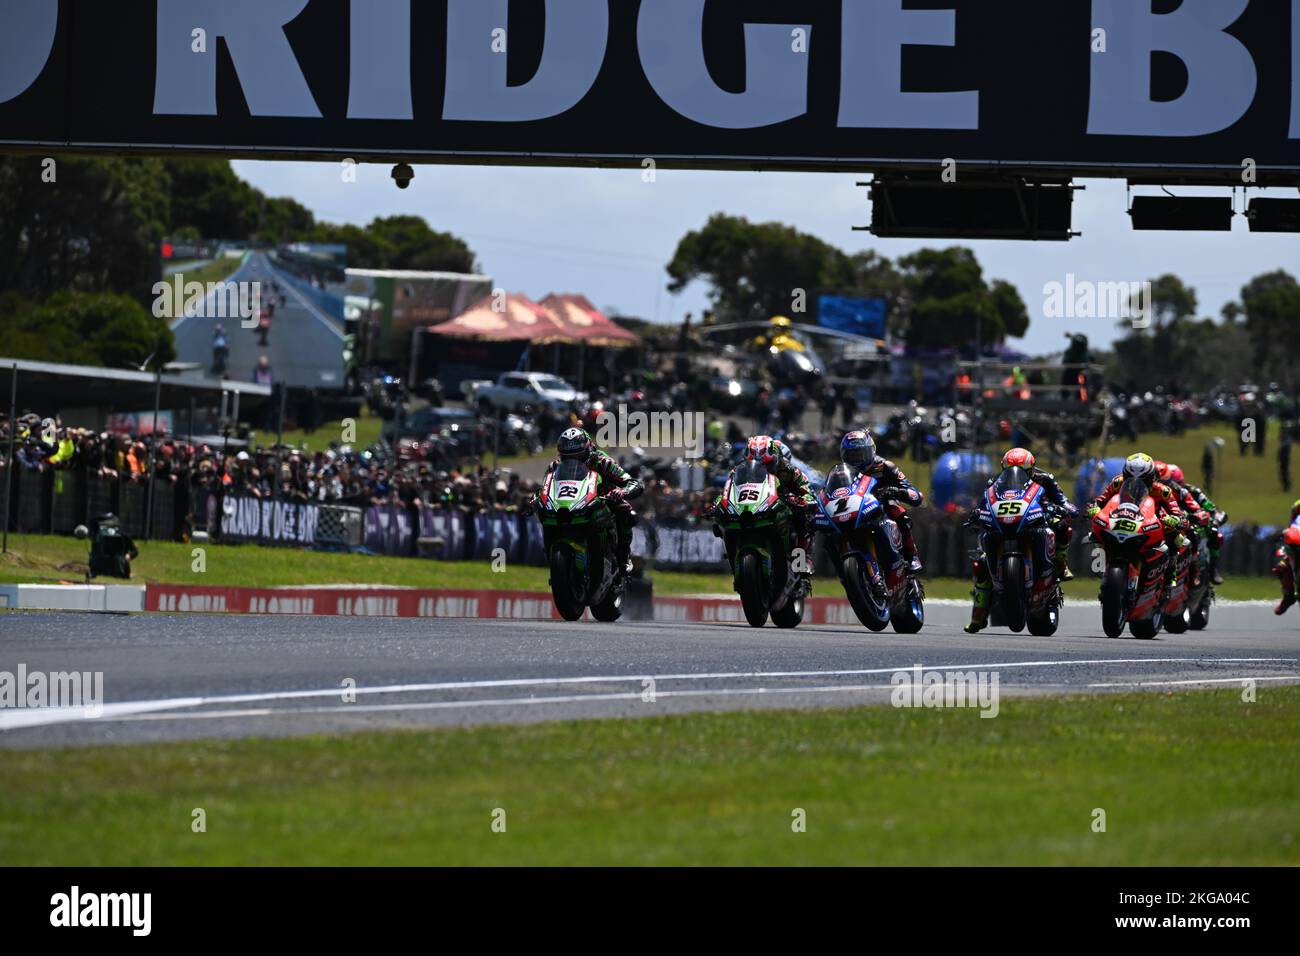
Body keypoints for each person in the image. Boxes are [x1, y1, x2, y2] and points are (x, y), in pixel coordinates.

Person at [962, 448, 1076, 634]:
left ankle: (1061, 563)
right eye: (1010, 469)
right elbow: (985, 503)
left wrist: (1062, 508)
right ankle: (978, 617)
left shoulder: (1045, 479)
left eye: (1022, 470)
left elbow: (1065, 501)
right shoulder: (995, 483)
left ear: (1031, 469)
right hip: (1008, 520)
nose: (1016, 474)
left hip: (1038, 519)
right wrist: (976, 514)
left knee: (1061, 526)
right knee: (981, 561)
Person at [533, 428, 643, 574]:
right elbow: (546, 488)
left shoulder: (603, 462)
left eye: (578, 456)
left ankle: (623, 558)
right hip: (570, 504)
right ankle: (553, 555)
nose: (572, 462)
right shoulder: (554, 467)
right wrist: (535, 500)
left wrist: (621, 491)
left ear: (588, 450)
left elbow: (633, 482)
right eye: (567, 457)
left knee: (627, 513)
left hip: (603, 499)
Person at [708, 435, 817, 577]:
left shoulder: (787, 469)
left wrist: (803, 500)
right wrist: (717, 504)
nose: (763, 468)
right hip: (753, 507)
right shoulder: (737, 471)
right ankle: (735, 561)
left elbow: (806, 488)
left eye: (768, 465)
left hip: (783, 505)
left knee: (804, 519)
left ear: (776, 458)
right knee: (720, 523)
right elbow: (728, 491)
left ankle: (802, 560)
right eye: (756, 464)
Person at [839, 430, 924, 574]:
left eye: (860, 454)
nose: (856, 460)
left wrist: (897, 492)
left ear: (870, 451)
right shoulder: (842, 474)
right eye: (852, 455)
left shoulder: (885, 467)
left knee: (897, 511)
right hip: (855, 512)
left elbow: (915, 494)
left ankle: (912, 555)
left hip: (881, 508)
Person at [1272, 510, 1300, 615]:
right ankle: (1288, 596)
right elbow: (1293, 522)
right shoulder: (1297, 506)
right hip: (1297, 539)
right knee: (1281, 566)